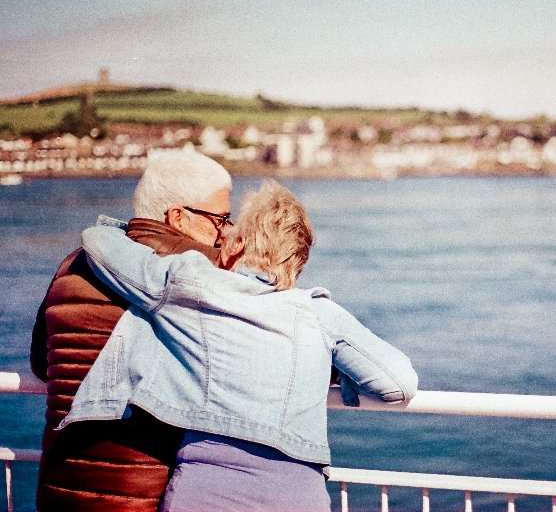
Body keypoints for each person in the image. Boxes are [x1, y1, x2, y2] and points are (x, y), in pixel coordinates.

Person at [63, 180, 418, 512]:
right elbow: (399, 383)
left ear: (238, 246)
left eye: (229, 231)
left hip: (206, 490)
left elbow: (97, 242)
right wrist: (333, 369)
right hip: (298, 496)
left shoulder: (194, 284)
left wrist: (120, 227)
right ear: (298, 260)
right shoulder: (318, 313)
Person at [29, 149, 233, 511]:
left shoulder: (73, 263)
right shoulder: (198, 277)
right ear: (179, 218)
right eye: (221, 219)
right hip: (144, 492)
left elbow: (41, 364)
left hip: (58, 486)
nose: (223, 235)